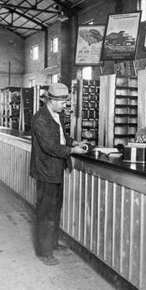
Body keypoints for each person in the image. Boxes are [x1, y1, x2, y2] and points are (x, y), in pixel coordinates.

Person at [30, 83, 87, 266]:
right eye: (63, 102)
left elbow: (61, 137)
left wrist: (74, 142)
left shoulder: (56, 115)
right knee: (46, 211)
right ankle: (44, 252)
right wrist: (72, 150)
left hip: (56, 169)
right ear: (51, 100)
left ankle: (52, 243)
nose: (65, 106)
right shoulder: (40, 119)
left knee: (55, 209)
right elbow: (51, 146)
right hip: (46, 171)